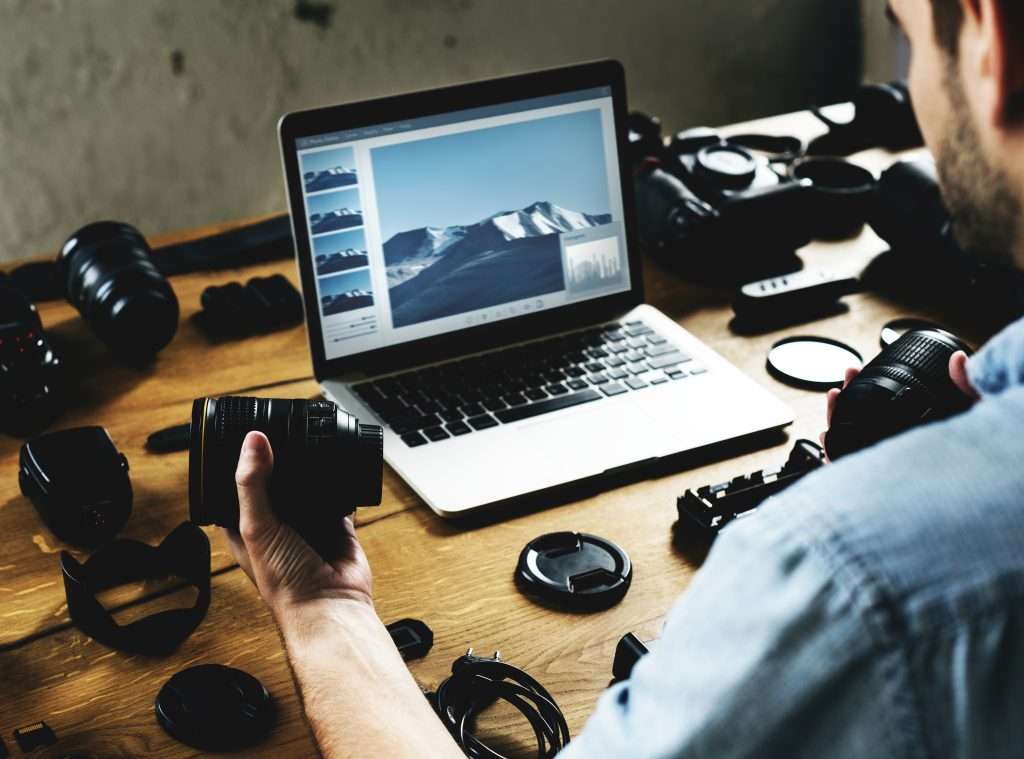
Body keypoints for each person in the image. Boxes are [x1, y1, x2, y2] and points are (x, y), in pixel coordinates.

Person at [226, 0, 1024, 755]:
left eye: (911, 36)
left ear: (989, 38)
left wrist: (322, 605)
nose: (913, 86)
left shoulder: (835, 579)